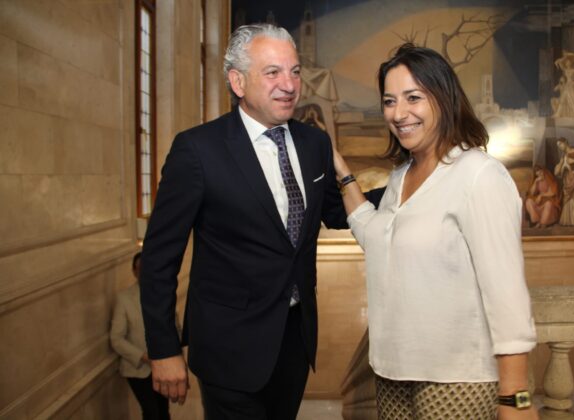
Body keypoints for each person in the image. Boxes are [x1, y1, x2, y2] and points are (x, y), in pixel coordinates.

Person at [139, 23, 382, 420]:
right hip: (227, 347)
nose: (289, 85)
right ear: (237, 81)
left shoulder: (313, 142)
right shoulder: (197, 150)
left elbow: (336, 213)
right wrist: (164, 348)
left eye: (295, 71)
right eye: (273, 73)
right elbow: (158, 258)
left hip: (293, 341)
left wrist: (412, 186)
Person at [331, 44, 538, 419]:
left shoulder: (479, 175)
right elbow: (375, 234)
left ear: (443, 98)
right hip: (392, 372)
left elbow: (505, 290)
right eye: (389, 101)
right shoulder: (400, 177)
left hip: (456, 379)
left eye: (413, 98)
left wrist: (515, 397)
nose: (399, 113)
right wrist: (343, 172)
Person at [110, 252, 170, 420]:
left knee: (163, 412)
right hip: (137, 369)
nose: (144, 272)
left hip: (163, 367)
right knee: (151, 413)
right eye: (140, 269)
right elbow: (116, 339)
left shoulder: (163, 296)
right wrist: (144, 357)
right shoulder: (124, 299)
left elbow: (175, 328)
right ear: (134, 271)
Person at [555, 138, 574, 226]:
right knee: (569, 201)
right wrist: (562, 166)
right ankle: (572, 222)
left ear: (566, 142)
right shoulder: (563, 156)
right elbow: (557, 172)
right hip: (568, 179)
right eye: (558, 145)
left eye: (561, 144)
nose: (560, 147)